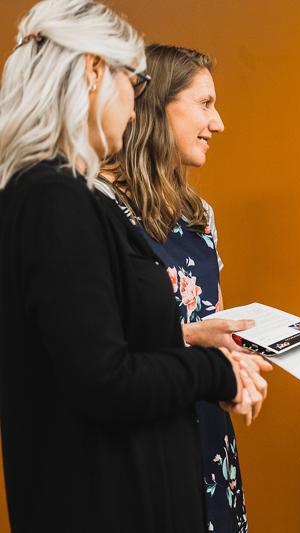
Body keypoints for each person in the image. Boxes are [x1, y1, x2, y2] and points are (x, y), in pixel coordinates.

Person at [0, 1, 268, 531]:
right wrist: (215, 372)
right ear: (94, 72)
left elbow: (96, 338)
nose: (133, 102)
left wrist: (187, 336)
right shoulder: (58, 200)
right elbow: (103, 378)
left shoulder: (47, 196)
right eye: (134, 80)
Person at [102, 44, 261, 533]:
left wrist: (244, 348)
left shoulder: (201, 216)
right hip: (140, 435)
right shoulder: (99, 208)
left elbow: (209, 318)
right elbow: (99, 346)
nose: (218, 124)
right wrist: (191, 338)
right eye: (205, 104)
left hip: (208, 429)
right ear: (153, 106)